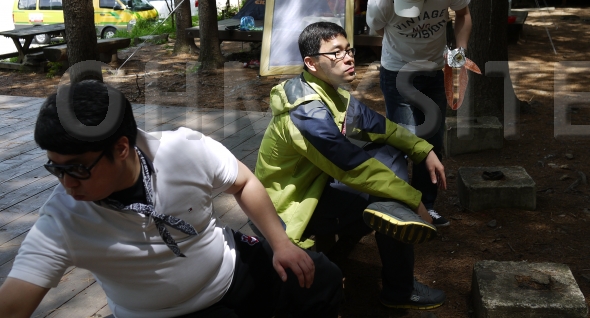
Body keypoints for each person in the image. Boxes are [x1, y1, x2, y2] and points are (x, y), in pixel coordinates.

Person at [0, 80, 342, 318]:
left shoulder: (184, 150)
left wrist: (281, 243)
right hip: (160, 313)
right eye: (55, 169)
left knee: (322, 276)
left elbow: (244, 182)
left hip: (230, 269)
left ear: (121, 148)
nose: (67, 184)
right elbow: (13, 304)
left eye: (77, 169)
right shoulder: (62, 219)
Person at [255, 22, 448, 310]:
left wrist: (424, 150)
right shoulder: (306, 113)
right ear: (311, 63)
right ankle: (400, 289)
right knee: (390, 198)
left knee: (389, 154)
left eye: (348, 50)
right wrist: (413, 199)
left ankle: (388, 221)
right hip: (291, 207)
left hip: (318, 186)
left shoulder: (331, 93)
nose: (347, 58)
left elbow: (382, 128)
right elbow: (351, 165)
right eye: (336, 53)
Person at [366, 0, 472, 228]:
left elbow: (463, 14)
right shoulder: (379, 1)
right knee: (404, 138)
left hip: (434, 70)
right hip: (397, 72)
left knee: (431, 138)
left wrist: (459, 51)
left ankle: (427, 205)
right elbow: (379, 32)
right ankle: (401, 205)